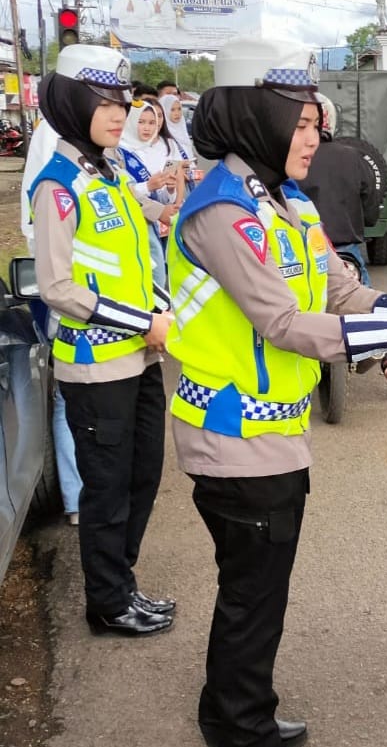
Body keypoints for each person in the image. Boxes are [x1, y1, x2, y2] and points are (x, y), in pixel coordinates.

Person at [167, 36, 387, 747]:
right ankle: (237, 724)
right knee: (252, 593)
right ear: (257, 117)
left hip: (274, 436)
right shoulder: (223, 211)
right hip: (233, 438)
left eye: (316, 122)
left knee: (260, 590)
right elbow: (280, 322)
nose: (315, 136)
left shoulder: (289, 205)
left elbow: (341, 290)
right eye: (301, 123)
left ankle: (236, 704)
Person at [29, 44, 178, 637]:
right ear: (72, 103)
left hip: (139, 360)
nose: (119, 114)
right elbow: (57, 286)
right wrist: (145, 322)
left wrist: (160, 308)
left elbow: (140, 252)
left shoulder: (109, 172)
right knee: (108, 489)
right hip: (95, 370)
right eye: (104, 103)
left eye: (123, 102)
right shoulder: (58, 185)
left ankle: (123, 584)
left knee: (143, 477)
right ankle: (107, 603)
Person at [299, 92, 387, 400]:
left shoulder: (292, 162)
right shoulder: (353, 157)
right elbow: (373, 208)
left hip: (306, 248)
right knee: (366, 301)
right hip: (347, 248)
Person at [20, 116, 83, 526]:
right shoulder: (56, 170)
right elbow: (37, 224)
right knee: (66, 398)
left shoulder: (99, 161)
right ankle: (76, 499)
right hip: (71, 298)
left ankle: (79, 500)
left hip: (102, 313)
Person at [119, 101, 181, 289]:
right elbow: (121, 192)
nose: (147, 128)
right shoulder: (119, 151)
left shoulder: (153, 150)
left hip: (155, 223)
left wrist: (169, 189)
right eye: (141, 122)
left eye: (152, 123)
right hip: (133, 223)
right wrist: (148, 185)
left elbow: (160, 196)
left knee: (159, 275)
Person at [159, 93, 196, 159]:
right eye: (172, 110)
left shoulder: (182, 131)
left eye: (179, 109)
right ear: (164, 111)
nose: (177, 113)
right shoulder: (161, 138)